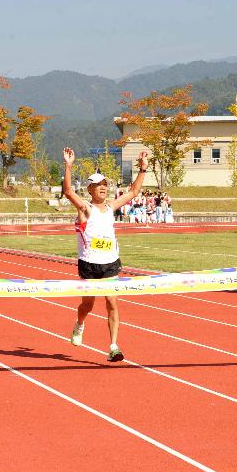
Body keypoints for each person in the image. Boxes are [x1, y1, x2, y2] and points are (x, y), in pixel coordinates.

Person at [62, 147, 149, 362]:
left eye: (105, 185)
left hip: (110, 263)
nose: (103, 188)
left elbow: (133, 192)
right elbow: (68, 192)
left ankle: (113, 346)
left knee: (112, 302)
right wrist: (68, 165)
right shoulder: (85, 209)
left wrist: (143, 170)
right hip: (89, 264)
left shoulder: (111, 207)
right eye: (99, 186)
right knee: (88, 305)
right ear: (90, 189)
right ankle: (80, 323)